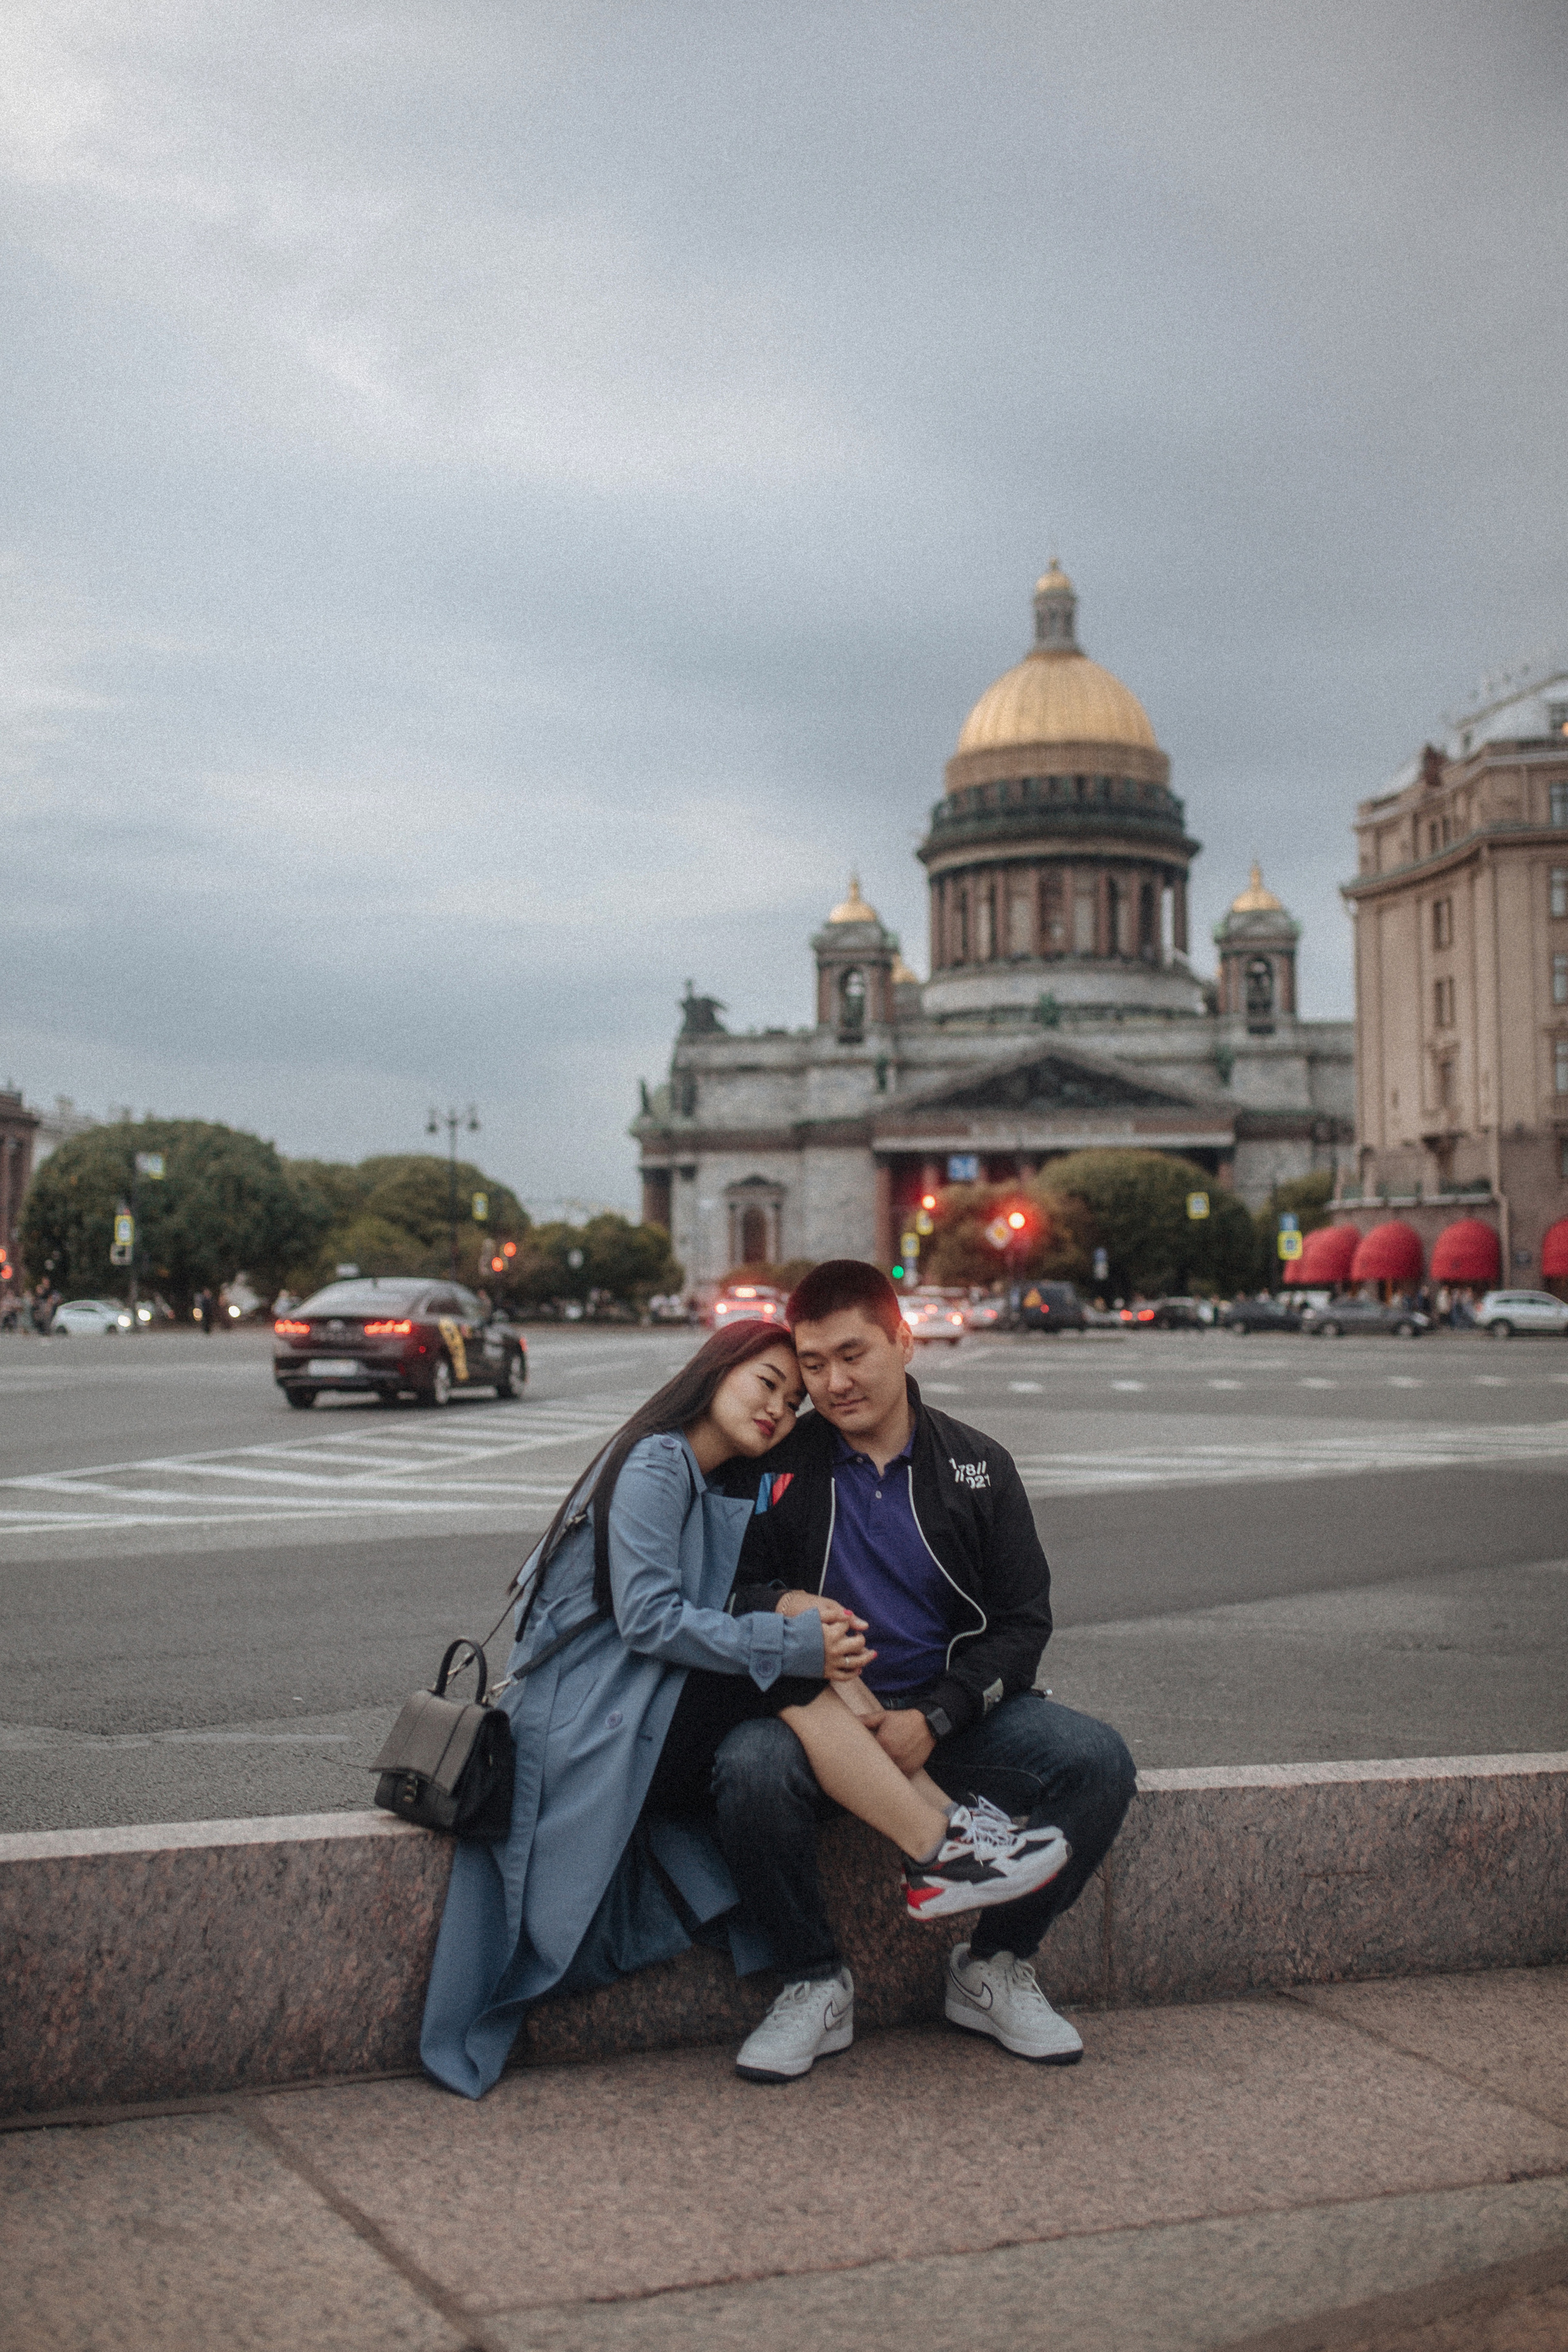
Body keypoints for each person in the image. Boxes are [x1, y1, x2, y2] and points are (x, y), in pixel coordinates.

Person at [420, 1319, 1065, 2100]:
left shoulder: (705, 1478)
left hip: (629, 1708)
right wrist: (791, 1639)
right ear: (716, 1371)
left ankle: (952, 1844)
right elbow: (650, 1620)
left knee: (799, 1652)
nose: (778, 1411)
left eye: (793, 1403)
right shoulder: (658, 1460)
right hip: (585, 1725)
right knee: (789, 1664)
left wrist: (798, 1629)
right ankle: (939, 1844)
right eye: (767, 1383)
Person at [710, 1259, 1136, 2081]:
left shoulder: (978, 1467)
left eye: (853, 1354)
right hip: (824, 1721)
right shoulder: (778, 1466)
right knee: (748, 1767)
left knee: (1096, 1761)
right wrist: (787, 1602)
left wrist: (937, 1716)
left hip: (950, 1715)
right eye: (813, 1363)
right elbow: (727, 1589)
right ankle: (813, 1981)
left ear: (905, 1342)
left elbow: (1022, 1627)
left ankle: (994, 1967)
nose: (833, 1383)